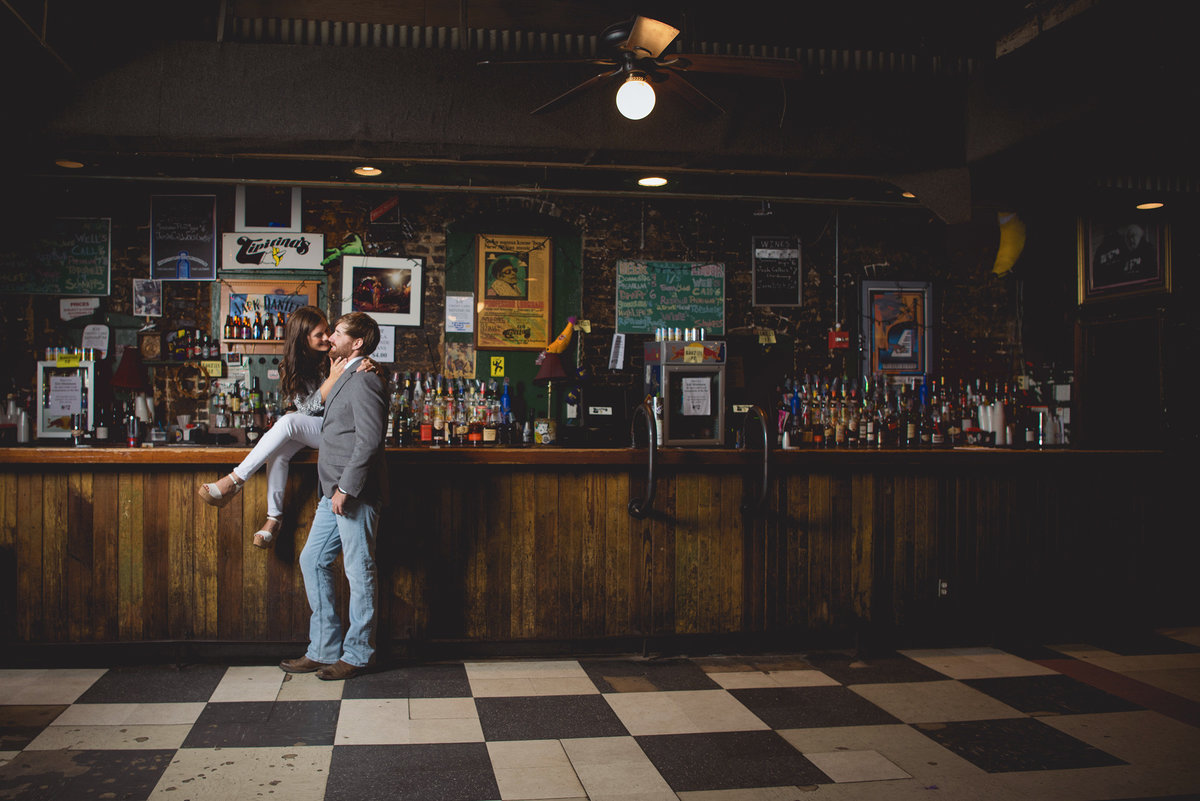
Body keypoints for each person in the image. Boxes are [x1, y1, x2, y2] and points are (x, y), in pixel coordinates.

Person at [197, 306, 381, 548]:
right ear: (304, 339)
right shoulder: (291, 366)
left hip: (337, 431)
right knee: (279, 451)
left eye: (328, 330)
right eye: (320, 334)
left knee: (288, 421)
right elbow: (306, 409)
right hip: (317, 426)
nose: (328, 337)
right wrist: (331, 381)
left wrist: (372, 365)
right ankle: (274, 517)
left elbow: (365, 371)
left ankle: (236, 479)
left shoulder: (339, 355)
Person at [280, 311, 388, 681]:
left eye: (337, 333)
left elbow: (369, 441)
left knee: (359, 571)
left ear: (356, 342)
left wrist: (346, 487)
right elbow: (314, 410)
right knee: (313, 560)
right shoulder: (345, 373)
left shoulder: (366, 379)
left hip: (352, 491)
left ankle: (359, 654)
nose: (330, 338)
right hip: (332, 491)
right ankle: (324, 648)